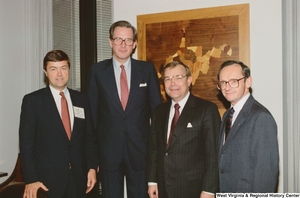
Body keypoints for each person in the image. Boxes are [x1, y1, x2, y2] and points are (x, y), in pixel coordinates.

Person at [87, 20, 162, 198]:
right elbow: (92, 117)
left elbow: (157, 112)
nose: (123, 44)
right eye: (118, 39)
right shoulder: (97, 71)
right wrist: (93, 158)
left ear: (134, 43)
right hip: (108, 153)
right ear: (110, 41)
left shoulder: (147, 70)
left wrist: (156, 153)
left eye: (128, 40)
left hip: (141, 152)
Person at [19, 50, 98, 198]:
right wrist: (31, 179)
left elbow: (89, 138)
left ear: (69, 69)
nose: (59, 74)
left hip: (80, 180)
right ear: (45, 72)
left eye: (63, 68)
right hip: (47, 182)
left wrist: (92, 167)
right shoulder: (33, 101)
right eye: (53, 69)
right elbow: (26, 145)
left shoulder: (82, 99)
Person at [147, 61, 220, 198]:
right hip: (163, 187)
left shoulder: (206, 110)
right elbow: (154, 149)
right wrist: (152, 181)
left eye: (178, 77)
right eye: (167, 79)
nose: (172, 83)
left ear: (189, 81)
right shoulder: (159, 111)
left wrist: (209, 190)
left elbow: (213, 154)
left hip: (193, 188)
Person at [217, 60, 279, 192]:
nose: (227, 87)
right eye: (223, 82)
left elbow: (265, 176)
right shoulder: (227, 115)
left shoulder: (261, 118)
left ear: (248, 82)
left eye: (234, 81)